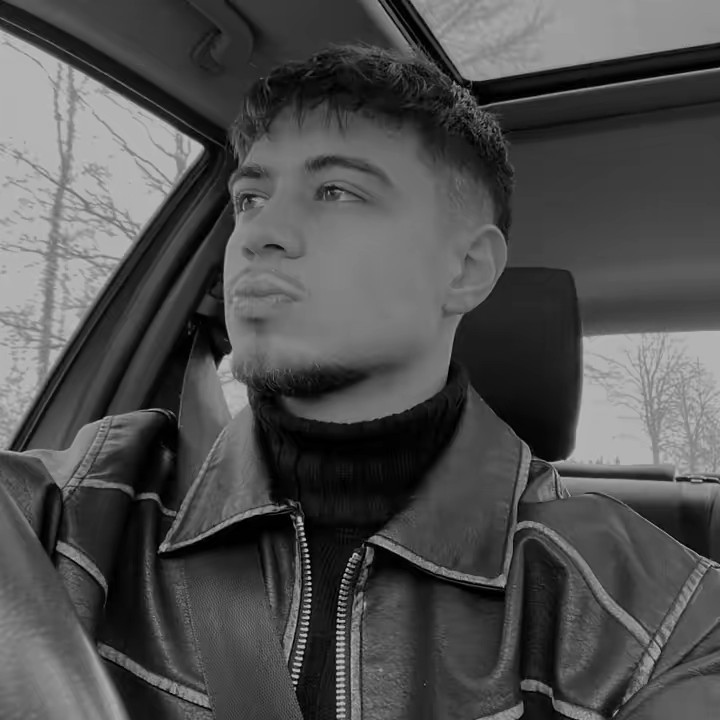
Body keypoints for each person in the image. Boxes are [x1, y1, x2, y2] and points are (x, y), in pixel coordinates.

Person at [1, 44, 720, 720]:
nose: (257, 235)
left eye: (337, 191)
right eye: (250, 198)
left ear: (466, 270)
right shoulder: (81, 510)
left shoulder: (641, 613)